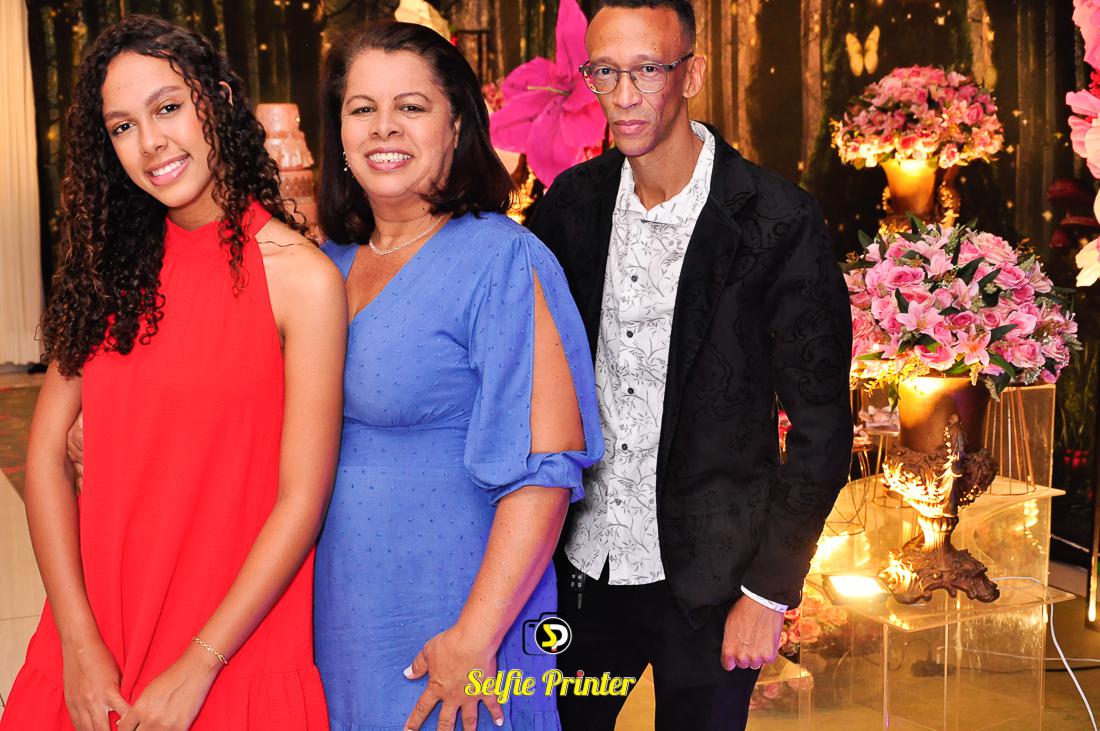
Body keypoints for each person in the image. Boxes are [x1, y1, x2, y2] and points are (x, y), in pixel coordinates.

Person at [2, 15, 345, 731]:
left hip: (233, 645)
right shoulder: (108, 271)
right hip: (98, 642)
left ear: (218, 100)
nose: (151, 142)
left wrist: (199, 663)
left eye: (167, 107)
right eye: (123, 127)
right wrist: (78, 643)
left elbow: (300, 500)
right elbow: (45, 457)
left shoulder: (301, 280)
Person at [526, 1, 854, 729]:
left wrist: (769, 592)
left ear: (692, 74)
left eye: (647, 69)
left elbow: (824, 429)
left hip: (712, 584)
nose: (623, 94)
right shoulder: (572, 206)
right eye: (604, 71)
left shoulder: (777, 220)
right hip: (580, 572)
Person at [312, 20, 603, 731]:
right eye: (362, 108)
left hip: (458, 620)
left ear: (456, 128)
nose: (384, 127)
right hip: (339, 613)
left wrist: (474, 636)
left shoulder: (502, 259)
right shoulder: (324, 264)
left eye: (411, 106)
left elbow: (545, 471)